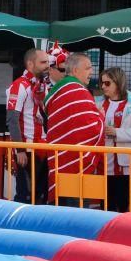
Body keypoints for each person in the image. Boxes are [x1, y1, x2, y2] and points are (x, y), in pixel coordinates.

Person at [44, 52, 105, 202]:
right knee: (77, 214)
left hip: (61, 161)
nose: (91, 72)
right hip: (78, 164)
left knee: (63, 210)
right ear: (76, 71)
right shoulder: (77, 92)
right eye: (88, 68)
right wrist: (101, 117)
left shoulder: (60, 91)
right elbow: (92, 128)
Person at [95, 67, 131, 213]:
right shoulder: (98, 103)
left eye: (107, 83)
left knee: (124, 206)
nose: (103, 86)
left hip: (126, 166)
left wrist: (117, 132)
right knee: (105, 206)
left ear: (118, 83)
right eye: (102, 83)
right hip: (104, 164)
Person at [6, 48, 49, 205]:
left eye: (48, 62)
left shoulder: (40, 85)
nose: (47, 66)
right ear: (30, 64)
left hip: (42, 147)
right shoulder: (19, 86)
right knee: (25, 197)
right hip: (27, 149)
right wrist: (20, 150)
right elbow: (12, 119)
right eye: (43, 62)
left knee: (41, 195)